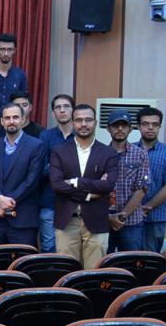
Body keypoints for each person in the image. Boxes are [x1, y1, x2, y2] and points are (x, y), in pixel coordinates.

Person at [50, 105, 119, 269]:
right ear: (72, 123)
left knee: (93, 274)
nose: (83, 124)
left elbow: (108, 185)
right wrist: (88, 194)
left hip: (97, 221)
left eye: (88, 120)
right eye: (79, 120)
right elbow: (57, 185)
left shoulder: (108, 153)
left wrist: (76, 182)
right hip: (67, 221)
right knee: (66, 272)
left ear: (95, 123)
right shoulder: (59, 151)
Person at [0, 103, 48, 248]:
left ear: (23, 120)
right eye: (7, 118)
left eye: (15, 117)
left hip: (22, 220)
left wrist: (5, 205)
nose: (11, 121)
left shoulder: (36, 146)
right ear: (2, 122)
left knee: (22, 261)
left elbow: (31, 182)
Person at [137, 106, 166, 253]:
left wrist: (146, 208)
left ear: (159, 127)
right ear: (138, 126)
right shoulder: (129, 150)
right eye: (145, 124)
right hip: (128, 218)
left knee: (150, 259)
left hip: (155, 218)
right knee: (126, 258)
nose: (150, 127)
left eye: (155, 124)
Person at [105, 110, 150, 253]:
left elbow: (142, 189)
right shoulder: (100, 153)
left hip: (131, 222)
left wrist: (122, 216)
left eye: (124, 125)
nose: (120, 129)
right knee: (103, 262)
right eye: (115, 125)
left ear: (130, 129)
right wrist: (109, 217)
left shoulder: (140, 154)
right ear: (108, 128)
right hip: (104, 220)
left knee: (131, 262)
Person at [37, 94, 75, 252]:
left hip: (75, 203)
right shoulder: (45, 136)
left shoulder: (81, 135)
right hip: (50, 202)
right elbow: (40, 168)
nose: (62, 110)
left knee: (71, 249)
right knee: (49, 248)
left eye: (66, 106)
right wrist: (67, 170)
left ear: (73, 110)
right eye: (58, 107)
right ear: (53, 113)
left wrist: (55, 168)